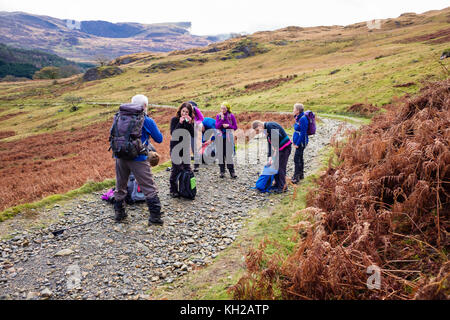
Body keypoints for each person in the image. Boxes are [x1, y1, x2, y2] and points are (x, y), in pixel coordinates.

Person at [113, 95, 164, 226]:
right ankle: (155, 216)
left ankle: (119, 213)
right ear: (145, 106)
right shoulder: (146, 120)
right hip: (138, 158)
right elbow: (159, 139)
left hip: (120, 156)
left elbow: (112, 133)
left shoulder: (119, 117)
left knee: (120, 185)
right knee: (148, 187)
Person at [252, 120, 292, 193]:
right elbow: (270, 144)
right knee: (275, 166)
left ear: (260, 126)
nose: (258, 132)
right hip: (279, 149)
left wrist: (269, 135)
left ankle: (282, 187)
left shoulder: (270, 126)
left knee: (280, 167)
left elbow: (279, 136)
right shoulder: (266, 129)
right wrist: (270, 156)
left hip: (285, 148)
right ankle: (277, 184)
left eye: (258, 130)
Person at [170, 102, 195, 198]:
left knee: (187, 168)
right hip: (175, 148)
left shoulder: (189, 121)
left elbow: (193, 134)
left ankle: (186, 188)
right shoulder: (174, 120)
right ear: (180, 110)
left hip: (185, 148)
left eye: (187, 112)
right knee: (176, 169)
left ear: (189, 113)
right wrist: (180, 123)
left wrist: (189, 124)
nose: (184, 113)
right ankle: (173, 190)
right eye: (183, 111)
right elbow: (173, 133)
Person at [215, 102, 238, 179]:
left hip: (228, 137)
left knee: (228, 155)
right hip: (220, 137)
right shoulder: (218, 116)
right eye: (221, 108)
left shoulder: (231, 116)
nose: (222, 110)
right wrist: (221, 120)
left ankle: (232, 172)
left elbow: (235, 127)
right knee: (221, 155)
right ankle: (222, 171)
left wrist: (228, 125)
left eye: (224, 108)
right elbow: (217, 126)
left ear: (227, 108)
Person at [292, 103, 309, 184]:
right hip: (298, 141)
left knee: (296, 159)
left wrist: (297, 144)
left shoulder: (303, 119)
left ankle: (296, 177)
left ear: (298, 111)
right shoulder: (298, 117)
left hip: (301, 142)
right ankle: (301, 174)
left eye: (294, 109)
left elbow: (303, 133)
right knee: (300, 158)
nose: (293, 110)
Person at [189, 101, 204, 173]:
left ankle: (196, 165)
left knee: (195, 147)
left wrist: (196, 123)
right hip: (189, 129)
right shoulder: (186, 110)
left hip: (196, 128)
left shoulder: (195, 109)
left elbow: (201, 118)